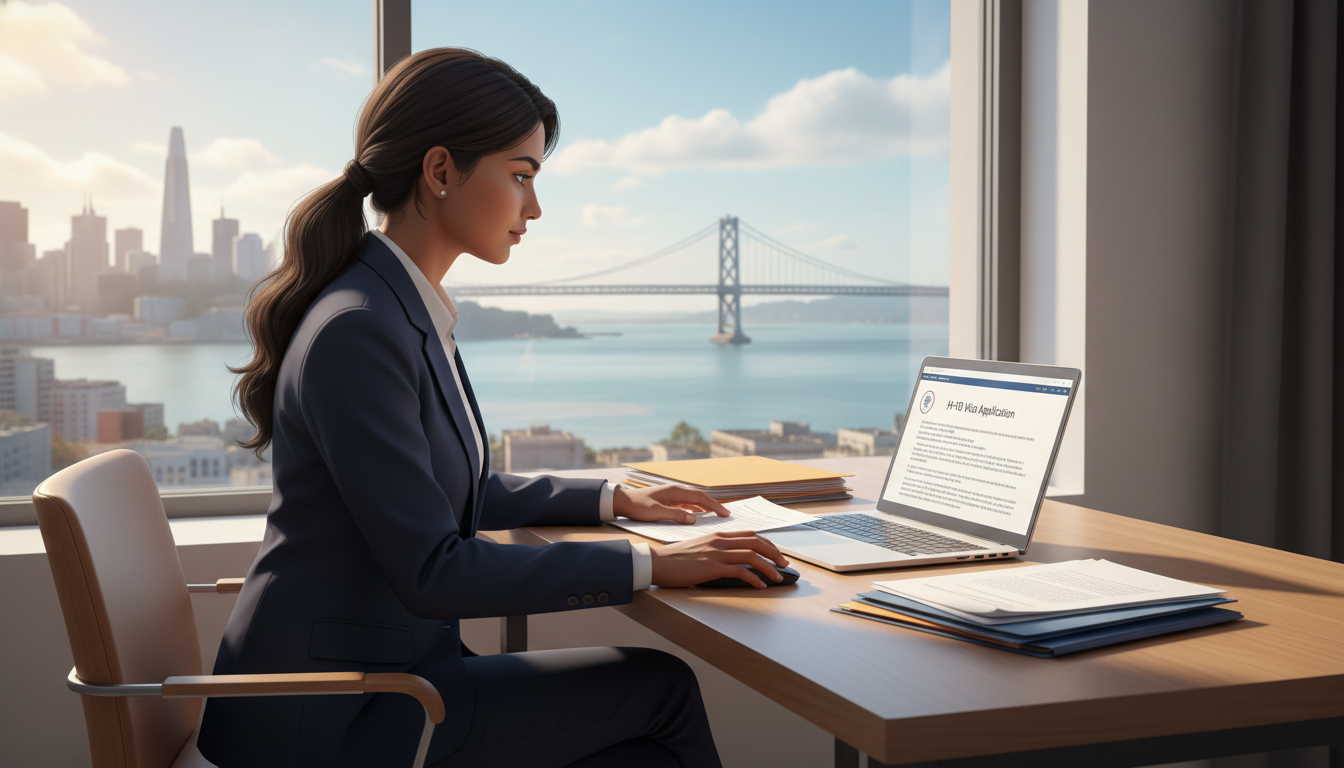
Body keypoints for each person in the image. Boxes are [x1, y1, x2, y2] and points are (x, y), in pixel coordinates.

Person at [197, 48, 791, 768]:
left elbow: (456, 491)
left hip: (383, 676)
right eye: (521, 176)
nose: (534, 208)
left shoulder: (398, 307)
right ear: (440, 171)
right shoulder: (361, 327)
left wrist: (614, 498)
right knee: (660, 690)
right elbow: (434, 569)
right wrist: (652, 565)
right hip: (330, 716)